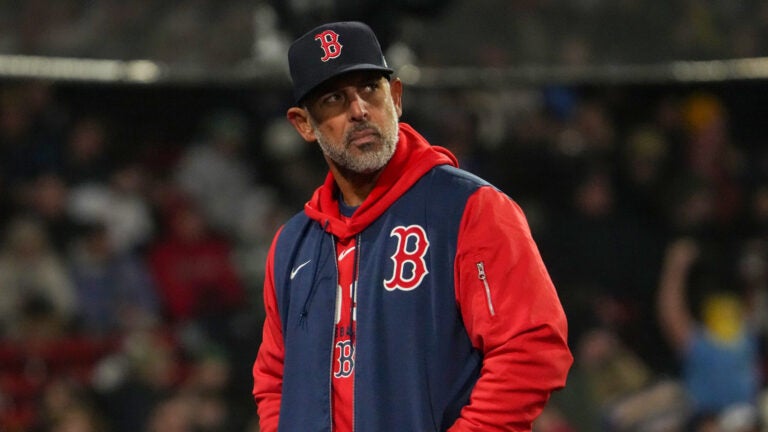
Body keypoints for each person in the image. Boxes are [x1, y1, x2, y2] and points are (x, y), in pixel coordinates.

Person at [252, 21, 572, 432]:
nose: (359, 110)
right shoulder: (293, 244)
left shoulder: (470, 209)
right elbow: (274, 379)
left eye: (370, 88)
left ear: (396, 97)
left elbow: (530, 348)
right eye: (334, 98)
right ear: (303, 124)